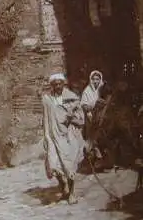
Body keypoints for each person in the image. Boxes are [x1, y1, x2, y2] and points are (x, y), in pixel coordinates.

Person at [43, 73, 85, 205]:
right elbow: (45, 118)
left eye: (60, 83)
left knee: (69, 166)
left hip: (68, 137)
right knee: (54, 165)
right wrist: (45, 135)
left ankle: (71, 193)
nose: (58, 86)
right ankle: (64, 189)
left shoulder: (72, 99)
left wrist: (70, 117)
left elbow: (81, 120)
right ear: (52, 86)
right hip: (53, 137)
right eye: (55, 84)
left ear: (63, 84)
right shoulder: (47, 99)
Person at [80, 70, 104, 158]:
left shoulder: (103, 90)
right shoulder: (87, 90)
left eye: (97, 79)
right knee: (91, 135)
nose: (95, 81)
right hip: (91, 115)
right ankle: (92, 154)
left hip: (102, 115)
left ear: (100, 79)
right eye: (93, 79)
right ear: (91, 80)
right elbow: (83, 104)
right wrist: (91, 108)